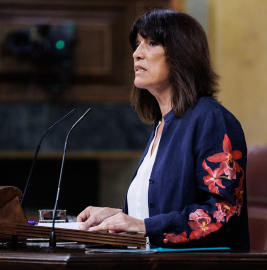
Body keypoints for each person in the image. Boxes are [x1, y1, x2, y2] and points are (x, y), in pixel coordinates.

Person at [77, 9, 249, 250]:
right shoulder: (163, 123)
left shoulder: (211, 119)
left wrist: (144, 226)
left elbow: (224, 211)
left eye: (152, 43)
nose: (137, 54)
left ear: (182, 54)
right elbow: (162, 209)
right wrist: (116, 215)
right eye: (137, 45)